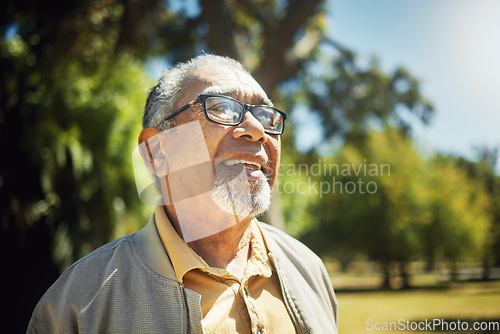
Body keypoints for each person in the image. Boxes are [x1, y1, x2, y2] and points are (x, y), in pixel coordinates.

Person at [27, 54, 338, 334]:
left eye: (266, 114)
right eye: (221, 108)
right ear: (156, 152)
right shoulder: (77, 305)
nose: (257, 128)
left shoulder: (308, 268)